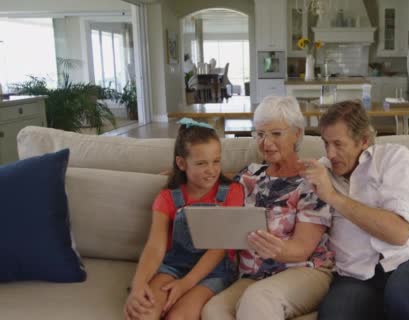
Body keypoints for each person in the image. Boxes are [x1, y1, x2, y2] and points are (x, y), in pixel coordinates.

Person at [300, 100, 409, 320]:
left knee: (407, 296)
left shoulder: (394, 158)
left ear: (363, 140)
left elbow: (398, 233)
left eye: (338, 144)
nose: (330, 153)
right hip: (355, 276)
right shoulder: (322, 173)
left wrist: (333, 197)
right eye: (326, 143)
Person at [202, 96, 334, 320]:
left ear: (297, 134)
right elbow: (218, 181)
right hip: (253, 276)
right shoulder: (250, 174)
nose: (266, 143)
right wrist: (180, 176)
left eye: (276, 134)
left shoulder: (312, 180)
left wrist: (273, 248)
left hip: (304, 269)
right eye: (260, 134)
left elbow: (302, 248)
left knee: (257, 299)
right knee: (213, 311)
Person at [124, 118, 244, 320]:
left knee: (178, 317)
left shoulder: (232, 192)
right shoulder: (167, 197)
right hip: (173, 266)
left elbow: (219, 248)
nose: (212, 170)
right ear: (181, 163)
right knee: (142, 313)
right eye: (201, 163)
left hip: (214, 272)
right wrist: (138, 285)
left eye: (216, 161)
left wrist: (185, 284)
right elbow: (155, 246)